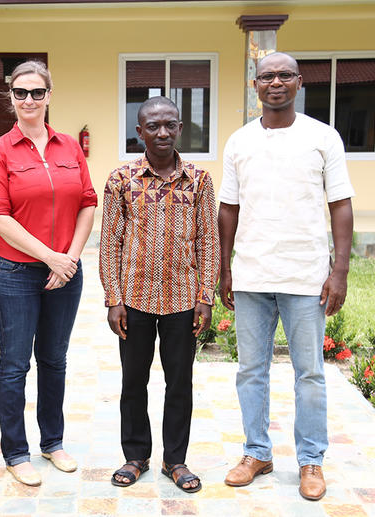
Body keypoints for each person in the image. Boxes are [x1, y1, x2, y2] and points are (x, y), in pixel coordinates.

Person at [218, 52, 355, 501]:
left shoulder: (323, 137)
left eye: (284, 75)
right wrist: (224, 268)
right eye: (266, 76)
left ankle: (310, 461)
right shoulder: (239, 142)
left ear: (298, 83)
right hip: (253, 275)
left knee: (309, 374)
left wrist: (339, 270)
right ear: (255, 85)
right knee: (250, 371)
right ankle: (257, 453)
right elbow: (228, 209)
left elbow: (340, 204)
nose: (275, 82)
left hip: (305, 276)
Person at [0, 61, 97, 487]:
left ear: (49, 96)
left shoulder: (69, 147)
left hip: (64, 271)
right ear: (10, 98)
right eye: (19, 93)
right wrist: (50, 256)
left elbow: (87, 201)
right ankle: (15, 453)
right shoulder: (0, 151)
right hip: (15, 273)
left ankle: (53, 442)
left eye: (36, 92)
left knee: (54, 361)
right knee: (14, 365)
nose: (28, 100)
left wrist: (69, 258)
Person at [99, 96, 220, 494]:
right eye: (153, 126)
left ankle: (175, 459)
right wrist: (113, 298)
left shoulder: (199, 181)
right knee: (133, 382)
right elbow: (110, 243)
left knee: (179, 381)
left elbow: (208, 240)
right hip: (134, 299)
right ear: (140, 132)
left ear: (180, 127)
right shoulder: (121, 180)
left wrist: (206, 296)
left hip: (184, 300)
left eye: (170, 124)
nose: (162, 132)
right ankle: (136, 455)